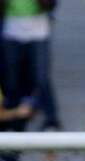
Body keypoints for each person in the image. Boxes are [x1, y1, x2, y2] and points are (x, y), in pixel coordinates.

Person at [2, 0, 59, 130]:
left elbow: (50, 5)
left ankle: (51, 118)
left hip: (38, 33)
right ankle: (14, 121)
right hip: (11, 31)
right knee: (11, 80)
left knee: (41, 78)